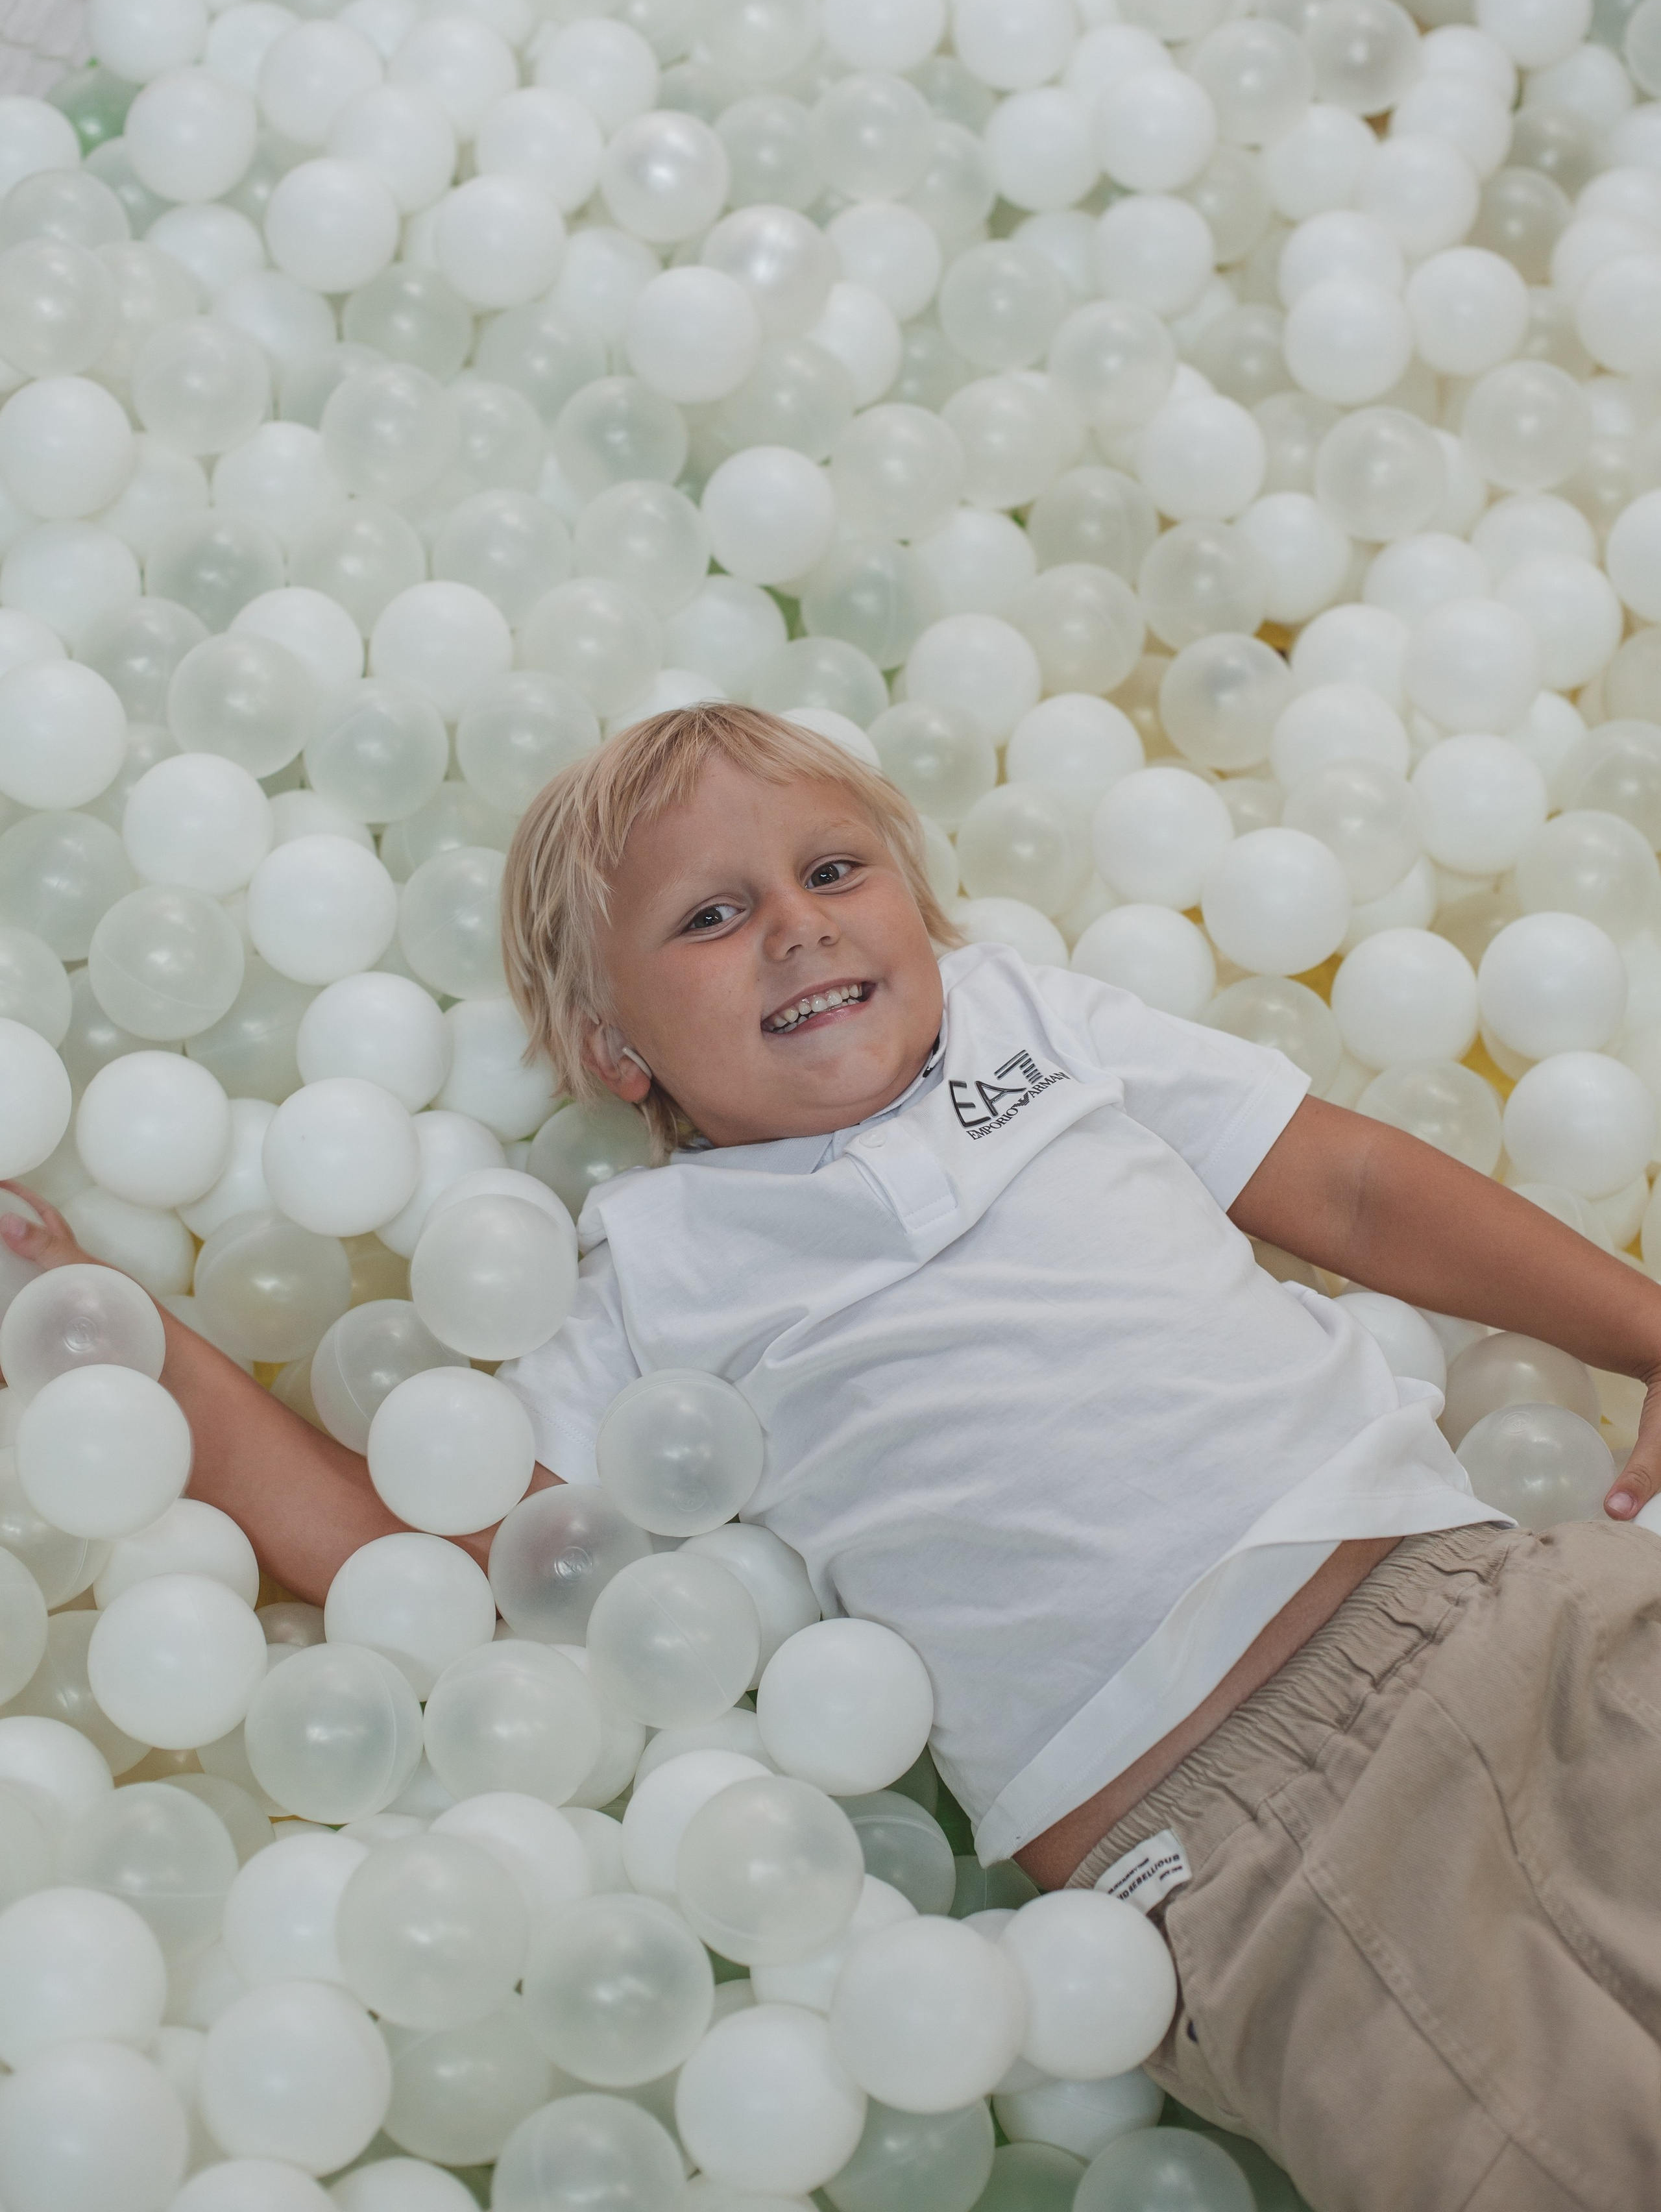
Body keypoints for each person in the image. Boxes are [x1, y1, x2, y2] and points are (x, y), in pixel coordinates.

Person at [7, 701, 1661, 2209]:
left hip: (1505, 1610)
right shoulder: (650, 1272)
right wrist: (110, 1333)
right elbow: (437, 1550)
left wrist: (1646, 1335)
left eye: (831, 870)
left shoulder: (1039, 1019)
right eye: (711, 917)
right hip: (1247, 1858)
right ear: (615, 1052)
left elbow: (1353, 1190)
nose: (794, 923)